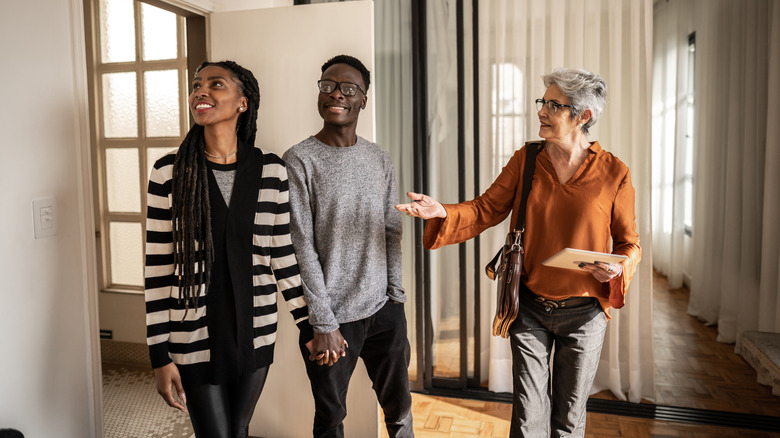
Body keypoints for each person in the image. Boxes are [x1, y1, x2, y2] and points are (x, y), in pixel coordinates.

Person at [396, 67, 641, 437]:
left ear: (583, 116)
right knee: (528, 417)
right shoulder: (526, 160)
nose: (541, 111)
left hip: (586, 314)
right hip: (529, 306)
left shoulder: (614, 173)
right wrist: (442, 211)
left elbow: (629, 243)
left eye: (553, 105)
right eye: (542, 102)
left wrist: (619, 267)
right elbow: (484, 209)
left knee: (569, 418)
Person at [144, 60, 314, 438]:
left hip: (255, 328)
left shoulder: (271, 169)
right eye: (196, 85)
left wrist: (310, 324)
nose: (200, 91)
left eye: (216, 84)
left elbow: (282, 256)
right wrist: (159, 355)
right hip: (192, 334)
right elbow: (157, 267)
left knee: (238, 429)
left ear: (242, 102)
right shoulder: (169, 172)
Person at [283, 54, 413, 438]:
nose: (336, 94)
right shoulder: (300, 159)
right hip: (331, 320)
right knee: (330, 419)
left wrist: (396, 296)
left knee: (400, 412)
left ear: (363, 99)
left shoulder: (378, 158)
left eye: (348, 88)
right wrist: (322, 322)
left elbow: (391, 229)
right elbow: (300, 245)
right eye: (328, 85)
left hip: (384, 311)